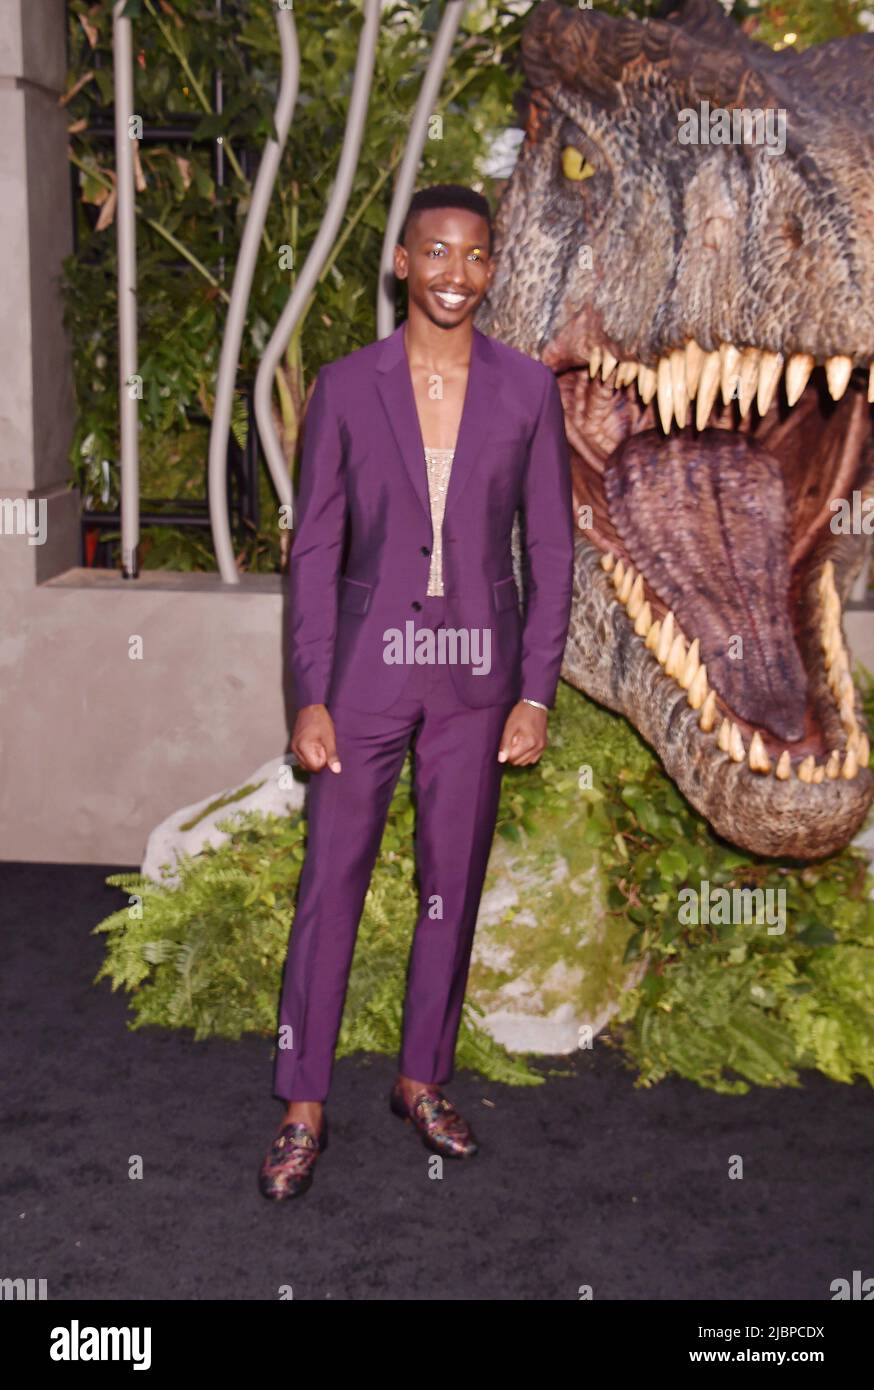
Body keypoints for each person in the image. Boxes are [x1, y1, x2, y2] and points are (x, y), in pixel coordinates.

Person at [259, 183, 574, 1200]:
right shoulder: (348, 389)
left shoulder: (527, 390)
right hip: (362, 675)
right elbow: (313, 552)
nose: (453, 272)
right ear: (402, 262)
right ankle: (303, 1103)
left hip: (478, 676)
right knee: (331, 885)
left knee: (451, 886)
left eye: (473, 255)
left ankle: (420, 1078)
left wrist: (536, 690)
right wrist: (309, 691)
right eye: (434, 252)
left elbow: (552, 551)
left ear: (491, 269)